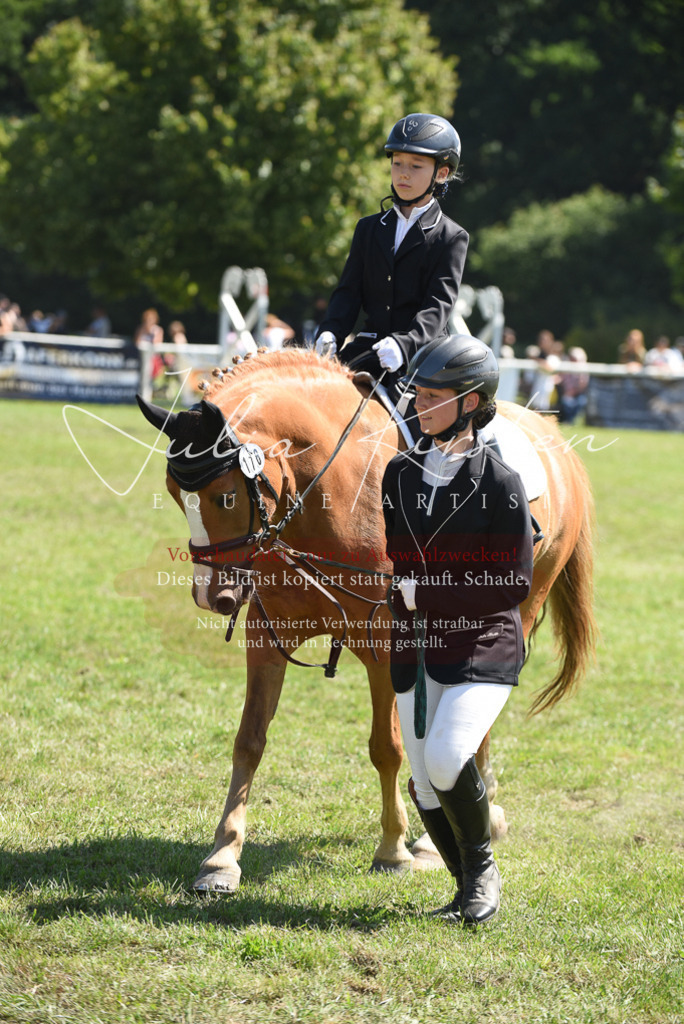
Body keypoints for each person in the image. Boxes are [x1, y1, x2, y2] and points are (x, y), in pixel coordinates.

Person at [382, 334, 534, 926]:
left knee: (447, 757)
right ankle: (466, 886)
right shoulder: (399, 473)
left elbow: (513, 582)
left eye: (432, 396)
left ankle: (484, 871)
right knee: (423, 782)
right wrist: (395, 590)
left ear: (469, 403)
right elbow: (401, 559)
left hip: (483, 643)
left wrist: (428, 593)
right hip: (416, 645)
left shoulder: (501, 483)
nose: (417, 405)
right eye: (416, 394)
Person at [315, 113, 469, 407]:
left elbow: (438, 306)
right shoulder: (368, 228)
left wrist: (405, 344)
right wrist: (331, 330)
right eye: (397, 163)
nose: (403, 174)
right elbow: (348, 291)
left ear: (441, 173)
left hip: (421, 356)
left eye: (415, 166)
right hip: (366, 348)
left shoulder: (452, 237)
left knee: (426, 423)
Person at [558, 346, 589, 424]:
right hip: (567, 393)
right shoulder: (566, 368)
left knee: (581, 401)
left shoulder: (584, 370)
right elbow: (562, 381)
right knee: (566, 401)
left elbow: (583, 385)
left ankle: (573, 422)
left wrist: (573, 392)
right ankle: (568, 421)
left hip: (579, 395)